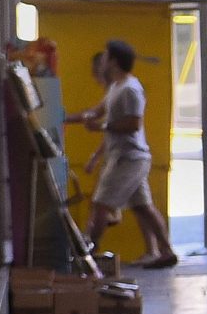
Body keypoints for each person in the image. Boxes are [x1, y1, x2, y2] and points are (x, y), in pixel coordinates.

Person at [69, 40, 178, 269]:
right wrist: (66, 118)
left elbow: (133, 123)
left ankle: (88, 256)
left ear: (114, 61)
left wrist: (101, 127)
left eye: (106, 57)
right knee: (142, 207)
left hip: (129, 158)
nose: (102, 62)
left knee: (100, 204)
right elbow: (97, 111)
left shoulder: (130, 89)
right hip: (126, 157)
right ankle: (167, 251)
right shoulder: (116, 87)